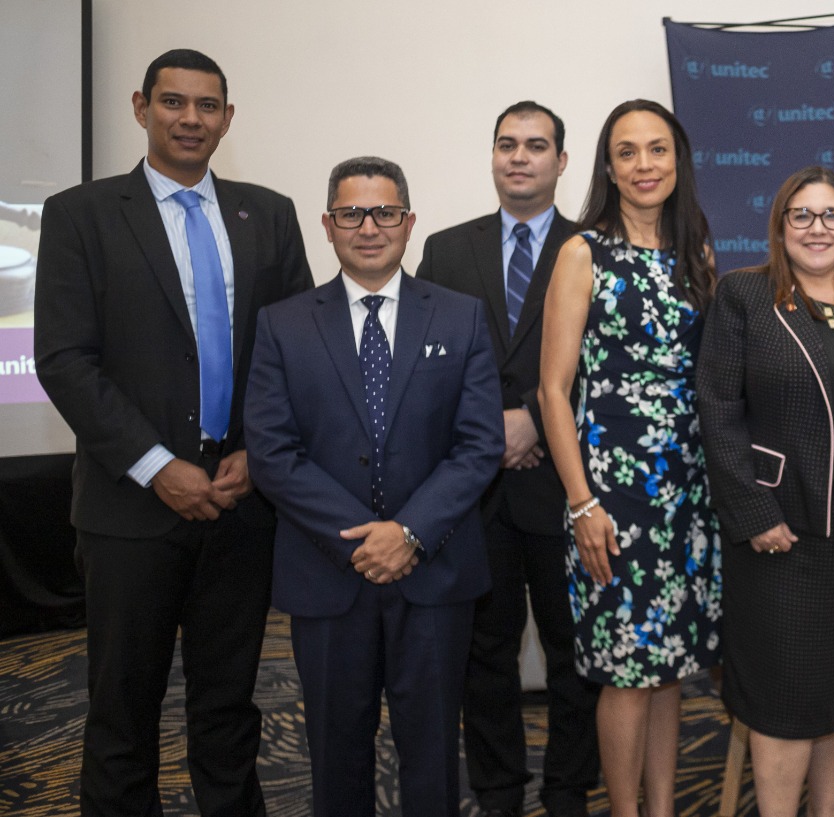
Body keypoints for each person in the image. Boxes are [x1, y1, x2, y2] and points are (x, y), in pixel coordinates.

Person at [33, 48, 312, 816]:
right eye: (173, 102)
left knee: (230, 706)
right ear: (141, 107)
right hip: (130, 510)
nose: (190, 118)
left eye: (207, 105)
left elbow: (296, 349)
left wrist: (259, 452)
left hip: (240, 505)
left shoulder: (270, 213)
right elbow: (64, 359)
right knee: (123, 710)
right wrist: (157, 465)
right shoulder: (81, 214)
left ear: (228, 117)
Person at [245, 157, 503, 817]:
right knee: (335, 756)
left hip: (434, 573)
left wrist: (409, 533)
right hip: (328, 575)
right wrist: (365, 541)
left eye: (385, 212)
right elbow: (273, 453)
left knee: (434, 757)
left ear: (409, 223)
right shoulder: (282, 324)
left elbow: (479, 445)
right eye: (352, 214)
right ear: (327, 224)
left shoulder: (461, 317)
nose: (369, 228)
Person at [698, 166, 834, 817]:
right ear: (780, 227)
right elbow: (717, 408)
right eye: (801, 214)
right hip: (780, 530)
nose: (816, 227)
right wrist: (753, 510)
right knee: (784, 696)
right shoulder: (745, 295)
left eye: (831, 215)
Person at [416, 100, 601, 817]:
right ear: (492, 157)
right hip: (476, 485)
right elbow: (427, 362)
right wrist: (489, 429)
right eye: (506, 144)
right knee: (482, 653)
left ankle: (567, 789)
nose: (518, 157)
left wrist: (532, 417)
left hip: (566, 484)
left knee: (574, 652)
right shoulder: (445, 249)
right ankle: (497, 793)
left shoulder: (595, 246)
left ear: (562, 161)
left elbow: (608, 362)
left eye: (535, 145)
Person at [538, 99, 720, 817]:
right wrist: (582, 503)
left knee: (667, 667)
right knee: (626, 669)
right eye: (627, 152)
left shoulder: (696, 253)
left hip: (687, 491)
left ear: (678, 161)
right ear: (609, 169)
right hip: (611, 494)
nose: (645, 165)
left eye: (658, 149)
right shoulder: (583, 253)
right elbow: (553, 391)